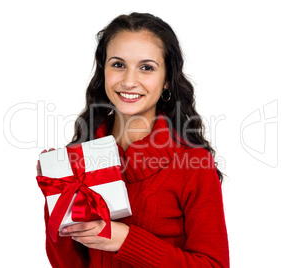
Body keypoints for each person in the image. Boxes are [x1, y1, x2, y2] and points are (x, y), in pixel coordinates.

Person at [37, 12, 229, 268]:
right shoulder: (78, 158)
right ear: (102, 70)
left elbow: (214, 265)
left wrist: (125, 240)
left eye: (146, 67)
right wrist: (56, 200)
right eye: (118, 64)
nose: (129, 81)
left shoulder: (194, 163)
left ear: (167, 80)